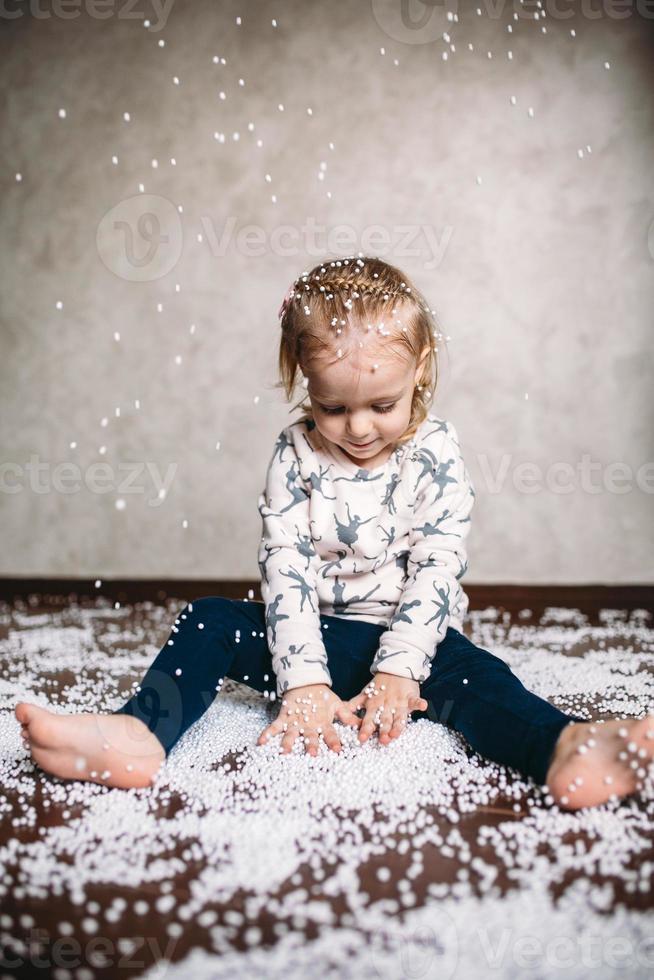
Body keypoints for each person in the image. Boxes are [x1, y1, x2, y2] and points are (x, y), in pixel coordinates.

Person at [15, 254, 654, 810]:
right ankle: (140, 734)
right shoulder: (294, 455)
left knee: (481, 681)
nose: (358, 429)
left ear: (420, 369)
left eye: (382, 405)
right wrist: (306, 685)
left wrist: (403, 674)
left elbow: (437, 566)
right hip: (311, 636)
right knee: (206, 620)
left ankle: (563, 745)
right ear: (303, 380)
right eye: (333, 408)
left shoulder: (435, 450)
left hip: (412, 640)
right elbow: (284, 566)